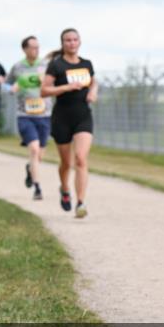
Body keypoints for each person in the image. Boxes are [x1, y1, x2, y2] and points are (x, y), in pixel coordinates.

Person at [41, 28, 96, 218]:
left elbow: (94, 81)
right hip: (62, 117)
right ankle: (64, 189)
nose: (72, 43)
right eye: (68, 40)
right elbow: (44, 91)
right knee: (67, 162)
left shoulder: (87, 64)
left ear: (79, 42)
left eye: (75, 40)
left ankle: (80, 202)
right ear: (62, 43)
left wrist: (93, 91)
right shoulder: (56, 66)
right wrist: (66, 87)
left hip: (83, 115)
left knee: (81, 158)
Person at [8, 35, 53, 201]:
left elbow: (55, 83)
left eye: (38, 47)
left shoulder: (46, 65)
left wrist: (47, 84)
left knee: (39, 155)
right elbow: (6, 84)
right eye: (33, 47)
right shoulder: (17, 67)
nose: (36, 50)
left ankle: (30, 169)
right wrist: (12, 88)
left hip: (45, 114)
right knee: (33, 149)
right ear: (25, 49)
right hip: (25, 114)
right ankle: (37, 188)